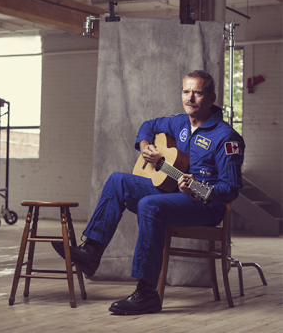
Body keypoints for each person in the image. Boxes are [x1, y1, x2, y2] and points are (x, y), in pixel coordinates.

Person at [52, 70, 244, 315]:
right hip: (174, 192)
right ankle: (91, 251)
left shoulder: (227, 137)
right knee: (117, 181)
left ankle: (146, 293)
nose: (190, 98)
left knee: (150, 205)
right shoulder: (179, 123)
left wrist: (198, 188)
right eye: (186, 91)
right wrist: (145, 146)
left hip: (206, 205)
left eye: (197, 92)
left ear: (211, 97)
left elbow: (230, 190)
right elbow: (148, 126)